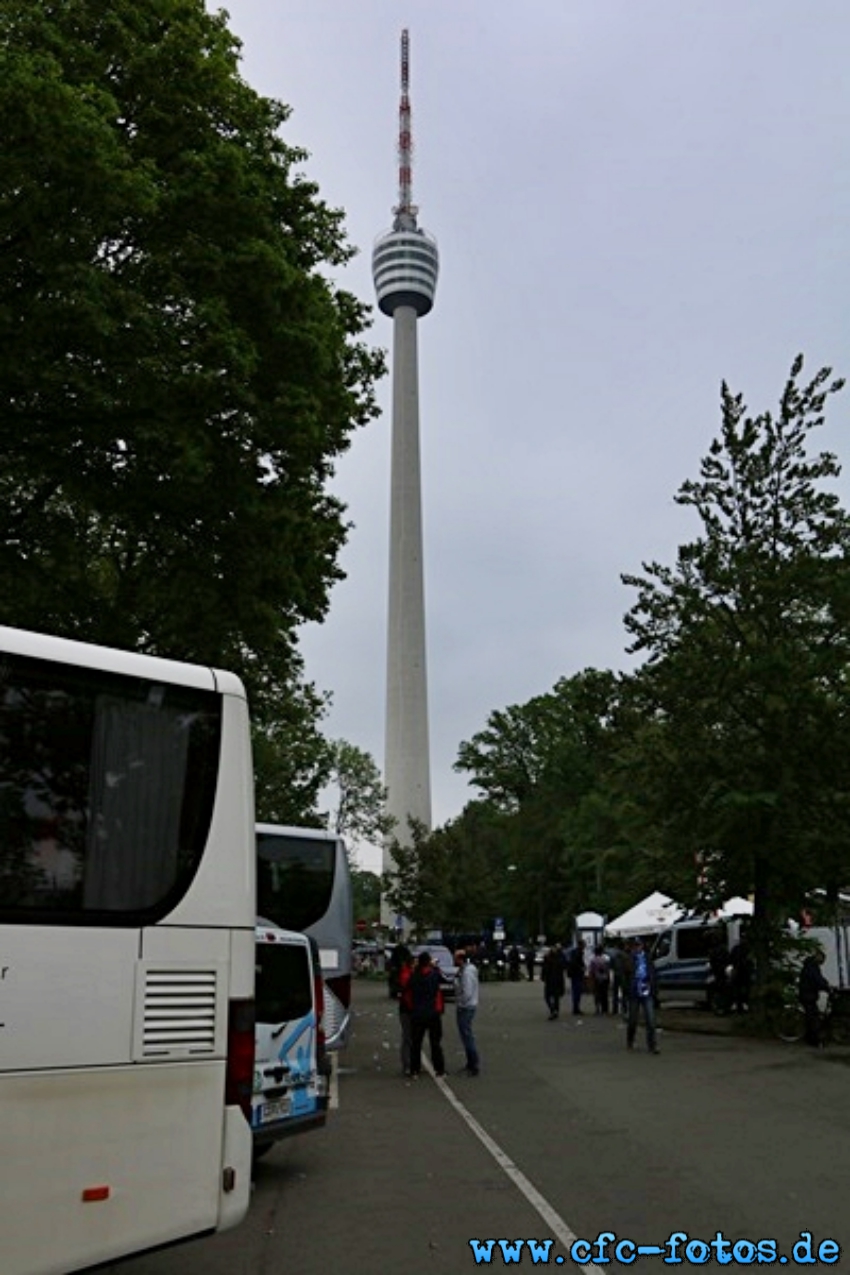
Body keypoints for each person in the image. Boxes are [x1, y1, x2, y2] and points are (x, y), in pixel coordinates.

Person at [409, 950, 446, 1077]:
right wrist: (435, 967)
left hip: (417, 1013)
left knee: (416, 1043)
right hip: (432, 1013)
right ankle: (439, 1069)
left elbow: (409, 988)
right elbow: (443, 979)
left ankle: (415, 1069)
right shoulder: (434, 975)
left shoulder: (414, 976)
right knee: (435, 1043)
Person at [626, 935, 660, 1054]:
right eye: (635, 946)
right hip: (634, 992)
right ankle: (630, 1039)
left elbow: (653, 973)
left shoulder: (647, 958)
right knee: (633, 1020)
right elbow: (625, 975)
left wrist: (654, 989)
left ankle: (652, 1045)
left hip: (646, 991)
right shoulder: (630, 958)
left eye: (639, 945)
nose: (637, 948)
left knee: (651, 1020)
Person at [454, 948, 480, 1075]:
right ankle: (471, 1062)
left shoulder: (467, 972)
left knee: (467, 1035)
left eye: (456, 958)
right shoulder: (466, 970)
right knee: (466, 1034)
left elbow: (467, 991)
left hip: (466, 1007)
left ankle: (473, 1064)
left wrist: (461, 1002)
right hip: (468, 1005)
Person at [799, 948, 831, 1048]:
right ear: (818, 957)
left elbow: (819, 978)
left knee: (811, 1016)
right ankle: (814, 1040)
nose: (823, 962)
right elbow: (816, 979)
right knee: (813, 1018)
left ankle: (810, 1037)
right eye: (823, 959)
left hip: (808, 994)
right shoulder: (811, 967)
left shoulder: (811, 966)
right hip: (808, 995)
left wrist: (826, 984)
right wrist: (826, 987)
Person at [392, 945, 415, 1076]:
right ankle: (407, 1064)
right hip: (408, 1009)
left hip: (408, 1009)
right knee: (408, 1037)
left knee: (410, 1037)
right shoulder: (406, 974)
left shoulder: (406, 973)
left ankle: (410, 1063)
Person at [728, 938, 753, 1014]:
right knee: (743, 990)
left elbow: (731, 959)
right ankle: (743, 1006)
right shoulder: (747, 949)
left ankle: (739, 1006)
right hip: (744, 973)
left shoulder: (736, 949)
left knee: (738, 990)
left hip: (739, 972)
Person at [541, 945, 565, 1019]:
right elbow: (562, 971)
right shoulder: (559, 960)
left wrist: (543, 977)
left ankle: (553, 1010)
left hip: (549, 981)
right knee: (556, 997)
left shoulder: (547, 959)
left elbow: (545, 970)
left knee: (547, 997)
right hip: (557, 981)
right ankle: (556, 1010)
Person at [565, 940, 586, 1016]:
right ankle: (576, 1008)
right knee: (577, 991)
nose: (585, 946)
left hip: (574, 974)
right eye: (584, 945)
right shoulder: (578, 952)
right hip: (577, 974)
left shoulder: (574, 952)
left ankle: (575, 1007)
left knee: (575, 990)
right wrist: (582, 968)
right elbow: (576, 963)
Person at [589, 944, 611, 1015]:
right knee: (604, 994)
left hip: (596, 979)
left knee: (597, 994)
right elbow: (608, 970)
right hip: (605, 978)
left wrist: (591, 979)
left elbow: (591, 971)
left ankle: (597, 1009)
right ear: (602, 951)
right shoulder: (606, 959)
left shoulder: (593, 960)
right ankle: (605, 1010)